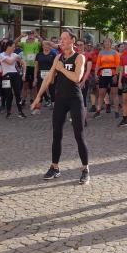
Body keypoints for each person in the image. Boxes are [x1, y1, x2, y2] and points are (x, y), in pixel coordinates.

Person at [32, 30, 90, 184]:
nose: (62, 41)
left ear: (72, 40)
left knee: (79, 135)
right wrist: (38, 97)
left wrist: (62, 68)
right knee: (56, 134)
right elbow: (48, 78)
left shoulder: (79, 57)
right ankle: (55, 167)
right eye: (60, 39)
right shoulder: (58, 57)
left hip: (75, 99)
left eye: (65, 38)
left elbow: (77, 78)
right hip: (60, 99)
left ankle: (85, 169)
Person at [0, 40, 26, 118]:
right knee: (8, 94)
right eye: (13, 47)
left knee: (17, 93)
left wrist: (24, 74)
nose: (14, 48)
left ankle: (20, 112)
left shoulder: (14, 54)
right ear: (8, 46)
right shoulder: (2, 55)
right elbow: (10, 62)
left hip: (15, 75)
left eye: (15, 47)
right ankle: (8, 112)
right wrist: (16, 57)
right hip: (6, 76)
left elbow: (24, 63)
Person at [94, 38, 119, 118]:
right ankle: (98, 110)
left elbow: (118, 65)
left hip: (113, 74)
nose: (107, 43)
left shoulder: (115, 52)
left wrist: (116, 75)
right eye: (105, 42)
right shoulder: (101, 53)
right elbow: (97, 64)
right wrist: (95, 74)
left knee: (114, 93)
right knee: (101, 93)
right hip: (103, 74)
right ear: (103, 44)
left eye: (108, 42)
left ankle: (116, 111)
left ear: (111, 43)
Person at [19, 30, 41, 106]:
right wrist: (21, 36)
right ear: (27, 36)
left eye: (32, 35)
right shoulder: (24, 44)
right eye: (29, 35)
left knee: (34, 85)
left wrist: (38, 36)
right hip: (26, 66)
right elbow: (14, 43)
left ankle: (34, 100)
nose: (31, 36)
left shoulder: (37, 43)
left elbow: (44, 43)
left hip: (35, 66)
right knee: (25, 84)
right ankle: (23, 100)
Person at [35, 40, 57, 107]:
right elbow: (36, 66)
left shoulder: (53, 54)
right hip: (40, 75)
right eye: (44, 45)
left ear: (50, 46)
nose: (46, 46)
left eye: (48, 45)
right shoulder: (39, 55)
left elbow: (56, 66)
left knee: (52, 90)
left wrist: (54, 75)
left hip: (50, 75)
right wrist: (35, 77)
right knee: (40, 90)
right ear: (42, 46)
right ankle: (38, 107)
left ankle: (54, 105)